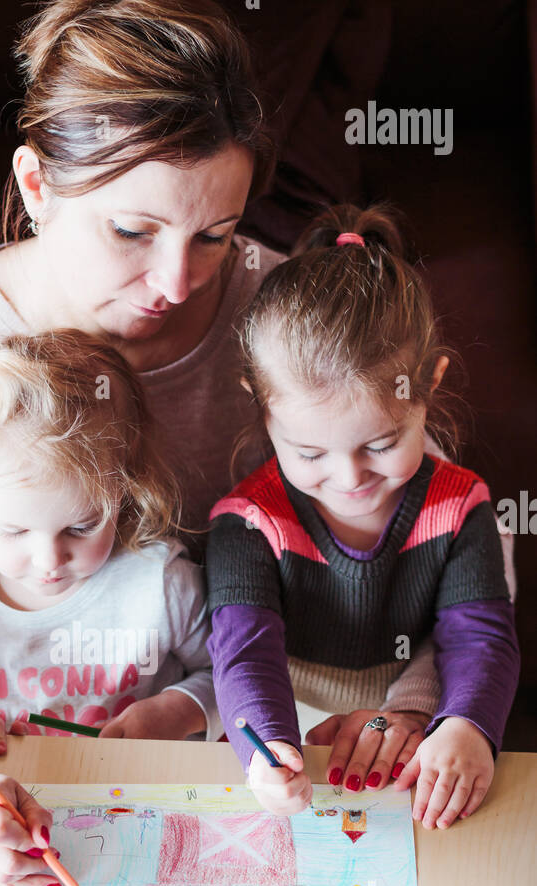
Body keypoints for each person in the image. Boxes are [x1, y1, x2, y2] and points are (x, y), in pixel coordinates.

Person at [0, 0, 437, 886]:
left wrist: (412, 701)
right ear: (35, 187)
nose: (177, 283)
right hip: (9, 771)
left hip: (247, 755)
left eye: (213, 234)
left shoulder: (277, 317)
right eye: (132, 232)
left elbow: (435, 531)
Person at [206, 204, 520, 830]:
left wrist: (466, 726)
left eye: (380, 445)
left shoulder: (460, 506)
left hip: (412, 720)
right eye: (310, 452)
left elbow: (478, 635)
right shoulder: (246, 521)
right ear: (261, 408)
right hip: (278, 724)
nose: (351, 479)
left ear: (430, 385)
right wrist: (268, 749)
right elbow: (245, 652)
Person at [0, 329, 220, 827]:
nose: (50, 560)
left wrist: (179, 710)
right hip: (6, 804)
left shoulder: (159, 585)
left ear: (123, 488)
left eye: (81, 527)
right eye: (15, 530)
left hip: (142, 804)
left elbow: (229, 676)